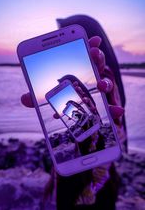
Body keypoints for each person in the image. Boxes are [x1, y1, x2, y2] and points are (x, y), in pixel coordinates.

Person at [21, 15, 127, 210]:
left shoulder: (104, 77)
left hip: (95, 180)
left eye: (63, 32)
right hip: (91, 177)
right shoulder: (81, 99)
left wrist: (97, 111)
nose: (56, 35)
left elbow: (115, 128)